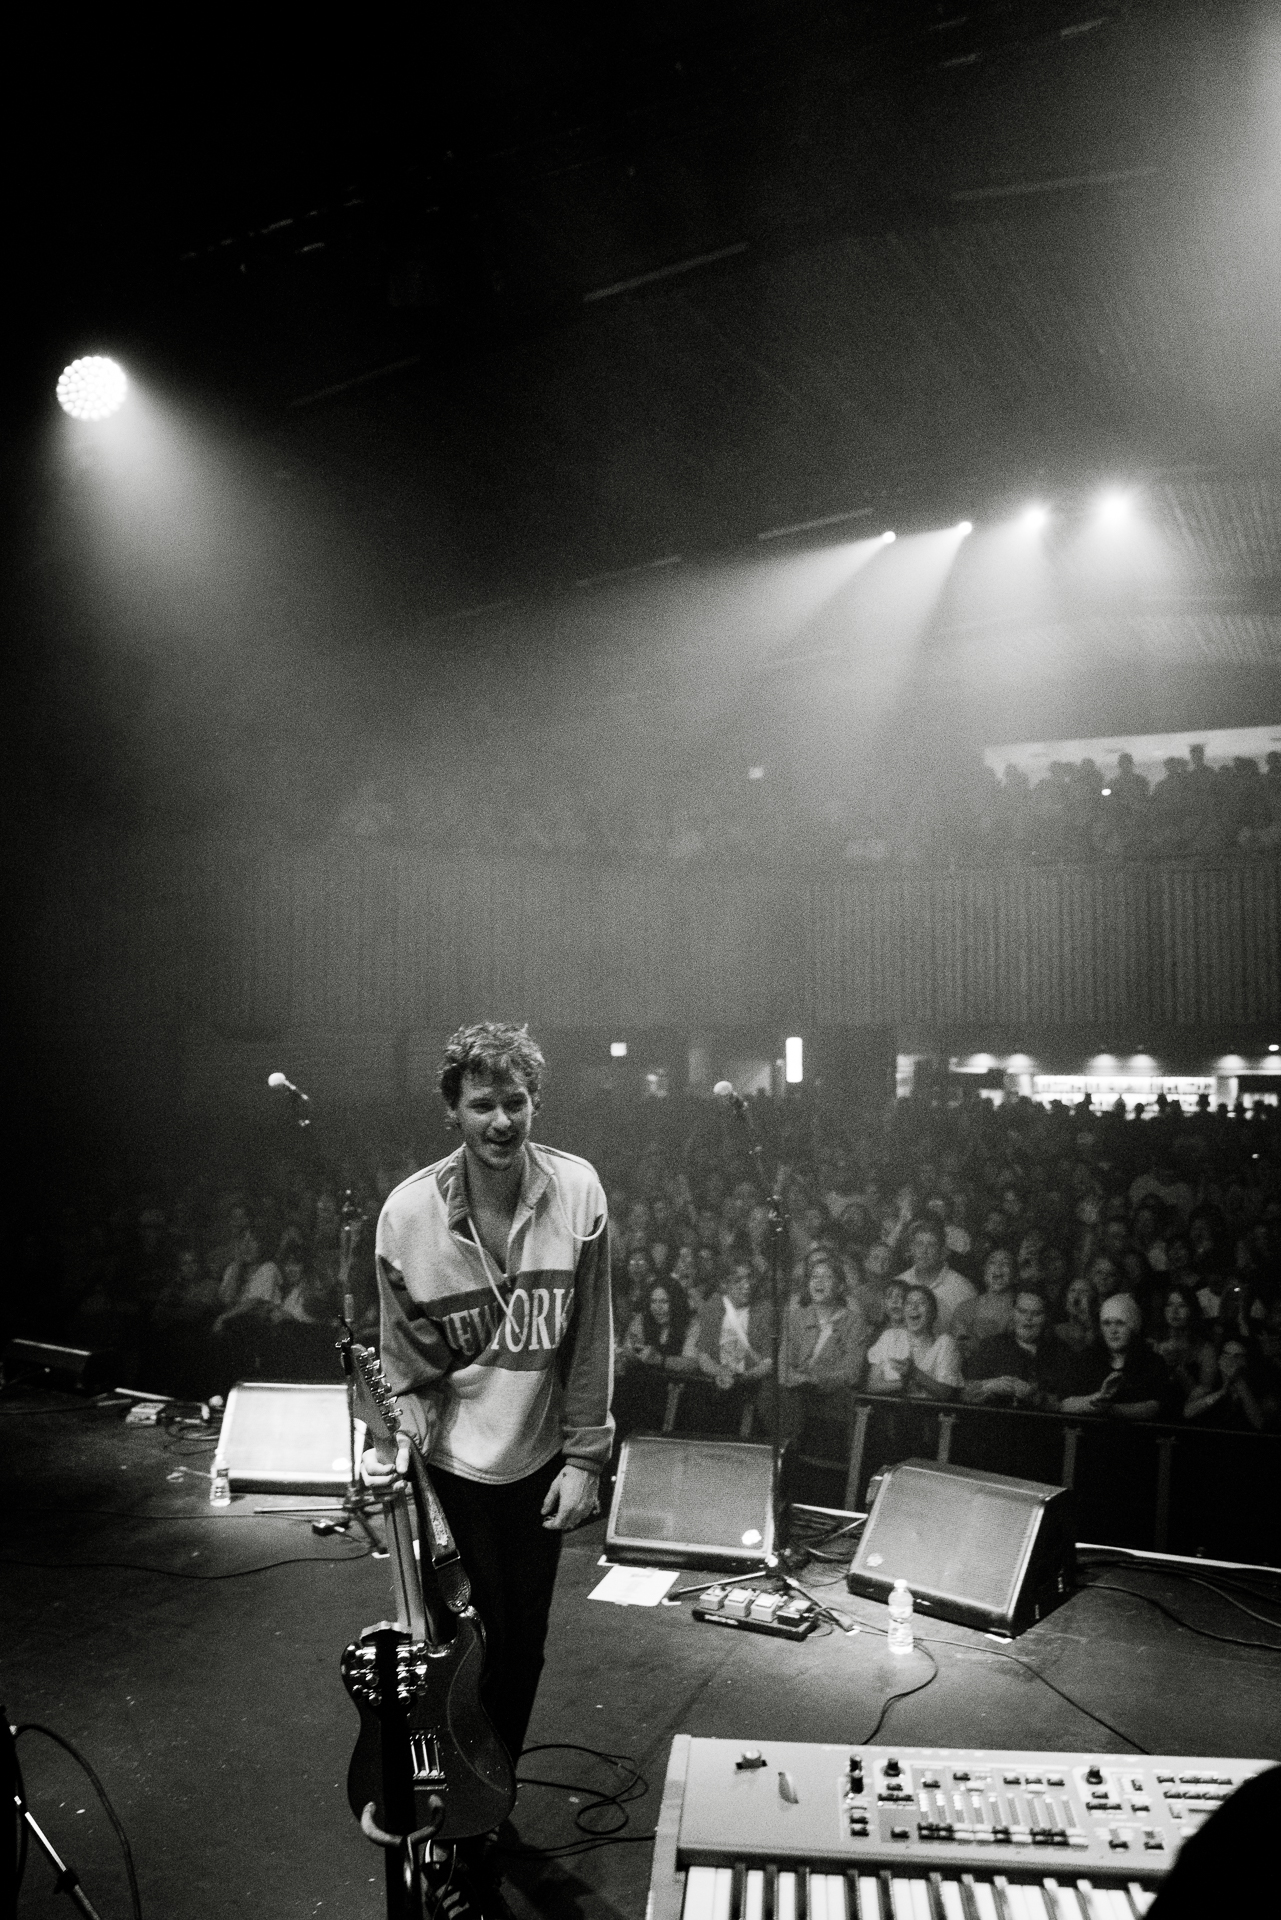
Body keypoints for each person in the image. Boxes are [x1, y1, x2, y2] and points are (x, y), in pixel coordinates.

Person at [364, 1020, 613, 1788]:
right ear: (453, 1110)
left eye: (515, 1103)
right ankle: (453, 1800)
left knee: (523, 1648)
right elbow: (407, 1374)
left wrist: (585, 1459)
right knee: (464, 1644)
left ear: (535, 1103)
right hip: (452, 1467)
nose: (500, 1121)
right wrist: (387, 1456)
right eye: (481, 1105)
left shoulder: (578, 1191)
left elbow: (590, 1338)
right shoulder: (407, 1217)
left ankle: (489, 1800)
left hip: (537, 1460)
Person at [1058, 1293, 1174, 1421]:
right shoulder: (1085, 1359)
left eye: (1120, 1323)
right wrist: (1098, 1398)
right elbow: (1065, 1404)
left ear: (1133, 1327)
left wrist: (1111, 1409)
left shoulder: (1152, 1362)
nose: (1113, 1330)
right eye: (1107, 1323)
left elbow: (1156, 1407)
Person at [865, 1283, 962, 1400]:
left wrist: (914, 1373)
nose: (913, 1307)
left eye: (921, 1303)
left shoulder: (945, 1343)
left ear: (932, 1312)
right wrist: (903, 1384)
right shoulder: (890, 1337)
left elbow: (947, 1393)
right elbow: (872, 1385)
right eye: (909, 1303)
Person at [895, 1218, 976, 1334]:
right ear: (911, 1248)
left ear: (943, 1251)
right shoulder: (900, 1282)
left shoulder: (963, 1289)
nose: (924, 1251)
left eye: (931, 1245)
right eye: (919, 1244)